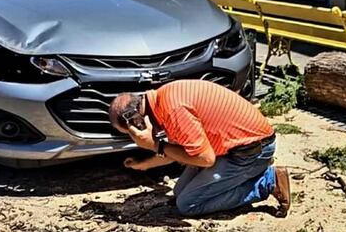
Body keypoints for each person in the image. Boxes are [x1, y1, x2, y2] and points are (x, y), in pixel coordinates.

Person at [108, 80, 291, 218]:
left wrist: (155, 145)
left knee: (188, 204)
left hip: (251, 151)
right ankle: (250, 174)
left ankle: (267, 182)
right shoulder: (162, 100)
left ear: (137, 122)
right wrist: (144, 164)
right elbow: (179, 150)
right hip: (234, 147)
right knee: (179, 192)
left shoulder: (174, 111)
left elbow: (205, 159)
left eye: (131, 132)